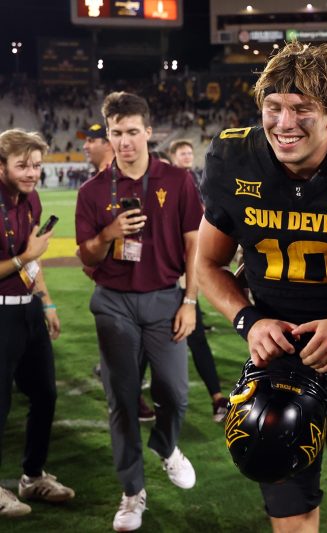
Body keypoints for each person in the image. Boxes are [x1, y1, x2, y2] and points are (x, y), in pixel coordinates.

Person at [195, 42, 327, 533]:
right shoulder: (234, 158)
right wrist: (249, 321)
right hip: (277, 358)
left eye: (301, 109)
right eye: (273, 107)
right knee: (289, 505)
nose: (284, 122)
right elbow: (207, 264)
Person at [75, 92, 203, 532]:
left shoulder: (178, 180)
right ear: (108, 135)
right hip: (113, 301)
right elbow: (86, 256)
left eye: (132, 131)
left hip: (165, 298)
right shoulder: (92, 191)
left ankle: (165, 446)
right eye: (117, 133)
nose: (124, 141)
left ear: (149, 131)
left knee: (176, 393)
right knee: (122, 401)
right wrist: (109, 234)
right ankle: (132, 491)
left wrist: (190, 301)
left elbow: (195, 245)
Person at [0, 129, 75, 518]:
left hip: (28, 309)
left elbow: (34, 259)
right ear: (1, 166)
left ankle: (32, 476)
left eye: (36, 165)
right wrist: (25, 256)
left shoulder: (32, 199)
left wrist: (46, 302)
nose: (32, 173)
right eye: (22, 166)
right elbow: (28, 255)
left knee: (45, 393)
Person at [76, 122, 157, 422]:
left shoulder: (132, 176)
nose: (85, 146)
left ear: (107, 143)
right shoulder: (96, 184)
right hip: (116, 280)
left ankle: (128, 394)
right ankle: (127, 394)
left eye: (91, 140)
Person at [167, 139, 227, 421]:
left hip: (182, 274)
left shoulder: (192, 181)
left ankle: (217, 397)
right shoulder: (169, 186)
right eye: (182, 153)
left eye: (190, 152)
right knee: (144, 346)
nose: (187, 156)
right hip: (162, 278)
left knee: (196, 337)